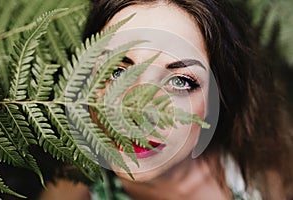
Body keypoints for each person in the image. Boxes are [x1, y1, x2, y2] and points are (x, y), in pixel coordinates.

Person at [81, 0, 293, 199]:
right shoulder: (72, 189)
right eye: (116, 72)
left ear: (216, 98)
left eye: (180, 82)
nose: (138, 111)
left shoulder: (271, 170)